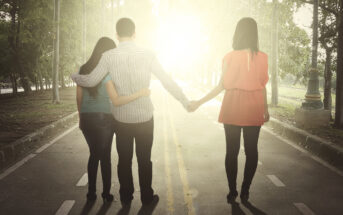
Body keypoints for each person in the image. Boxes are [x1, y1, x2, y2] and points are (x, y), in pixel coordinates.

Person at [72, 18, 190, 205]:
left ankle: (126, 197)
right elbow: (167, 80)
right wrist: (184, 100)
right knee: (145, 159)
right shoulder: (148, 54)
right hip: (145, 117)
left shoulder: (109, 56)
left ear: (117, 35)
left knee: (124, 160)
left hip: (122, 119)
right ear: (135, 34)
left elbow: (91, 80)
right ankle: (147, 197)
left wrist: (75, 76)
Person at [189, 17, 269, 203]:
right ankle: (245, 190)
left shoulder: (229, 56)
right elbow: (262, 85)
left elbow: (221, 86)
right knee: (252, 151)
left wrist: (199, 102)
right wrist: (265, 109)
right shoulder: (263, 57)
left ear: (238, 32)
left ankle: (232, 191)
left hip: (233, 105)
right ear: (255, 33)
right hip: (254, 106)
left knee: (231, 151)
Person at [76, 37, 150, 203]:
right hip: (104, 118)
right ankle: (106, 194)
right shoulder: (108, 70)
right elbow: (115, 98)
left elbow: (79, 98)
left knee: (94, 154)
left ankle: (91, 193)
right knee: (105, 157)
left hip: (87, 118)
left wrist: (81, 118)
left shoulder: (83, 69)